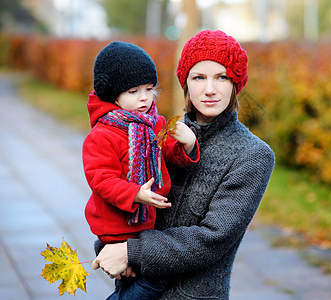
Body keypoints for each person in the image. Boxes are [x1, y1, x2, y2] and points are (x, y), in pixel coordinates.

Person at [92, 30, 275, 299]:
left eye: (222, 77)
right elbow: (113, 191)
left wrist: (130, 251)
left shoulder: (252, 155)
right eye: (199, 77)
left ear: (236, 83)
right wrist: (110, 245)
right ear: (185, 82)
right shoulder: (159, 135)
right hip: (136, 287)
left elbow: (212, 238)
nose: (210, 89)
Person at [83, 41, 199, 299]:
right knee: (153, 282)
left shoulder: (153, 124)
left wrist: (187, 144)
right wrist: (135, 194)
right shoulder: (103, 134)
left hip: (143, 229)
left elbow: (169, 154)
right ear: (113, 94)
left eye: (149, 89)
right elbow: (100, 179)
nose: (144, 98)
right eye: (134, 91)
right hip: (115, 228)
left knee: (134, 285)